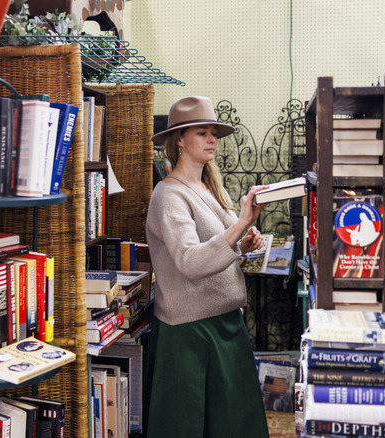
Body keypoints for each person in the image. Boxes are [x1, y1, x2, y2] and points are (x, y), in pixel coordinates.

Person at [144, 95, 271, 437]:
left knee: (235, 426)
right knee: (190, 427)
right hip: (191, 335)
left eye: (213, 132)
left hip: (228, 325)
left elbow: (218, 252)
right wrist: (239, 225)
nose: (212, 139)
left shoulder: (211, 186)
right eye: (202, 133)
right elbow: (190, 261)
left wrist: (241, 245)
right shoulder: (168, 195)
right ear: (180, 140)